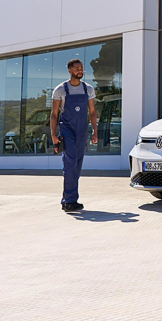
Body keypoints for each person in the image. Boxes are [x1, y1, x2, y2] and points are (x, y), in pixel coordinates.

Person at [50, 58, 98, 213]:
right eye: (77, 68)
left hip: (82, 129)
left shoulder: (88, 89)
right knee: (70, 162)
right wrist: (53, 135)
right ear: (69, 70)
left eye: (81, 68)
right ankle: (70, 201)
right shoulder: (61, 90)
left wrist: (94, 131)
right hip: (67, 129)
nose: (80, 70)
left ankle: (67, 200)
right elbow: (54, 114)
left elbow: (92, 112)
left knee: (77, 165)